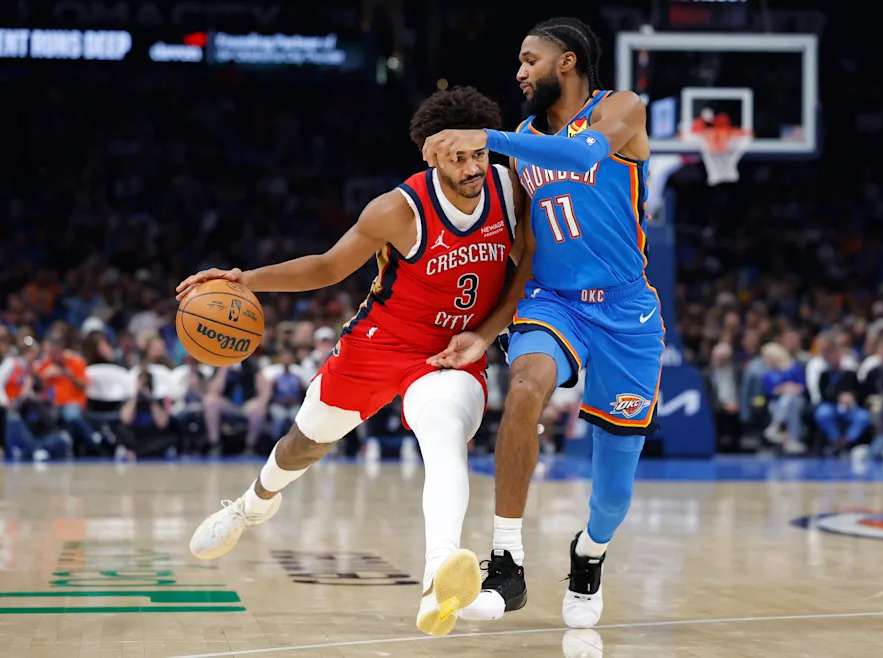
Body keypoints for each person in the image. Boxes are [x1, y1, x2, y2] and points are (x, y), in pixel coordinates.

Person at [176, 86, 533, 637]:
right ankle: (253, 504)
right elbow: (325, 268)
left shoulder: (510, 189)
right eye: (457, 157)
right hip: (378, 344)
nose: (471, 167)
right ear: (431, 155)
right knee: (304, 442)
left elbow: (524, 270)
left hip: (452, 353)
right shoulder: (396, 209)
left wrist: (485, 335)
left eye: (478, 154)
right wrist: (243, 279)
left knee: (443, 439)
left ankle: (439, 576)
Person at [422, 17, 661, 628]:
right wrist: (486, 326)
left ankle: (590, 551)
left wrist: (486, 136)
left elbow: (582, 155)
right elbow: (525, 252)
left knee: (613, 494)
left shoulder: (622, 109)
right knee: (526, 384)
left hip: (627, 314)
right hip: (554, 302)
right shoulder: (525, 142)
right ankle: (508, 556)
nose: (520, 71)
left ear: (568, 62)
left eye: (530, 59)